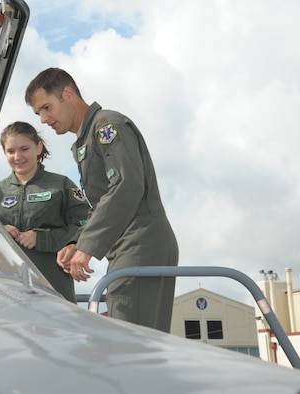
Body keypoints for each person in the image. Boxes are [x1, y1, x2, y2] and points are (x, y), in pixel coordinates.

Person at [24, 67, 179, 332]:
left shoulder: (107, 126)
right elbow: (104, 202)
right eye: (39, 113)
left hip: (141, 240)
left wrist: (88, 247)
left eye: (47, 108)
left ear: (68, 94)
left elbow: (126, 186)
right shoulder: (87, 139)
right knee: (132, 338)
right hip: (128, 244)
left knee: (132, 344)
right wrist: (78, 243)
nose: (43, 119)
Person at [0, 121, 89, 303]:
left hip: (53, 289)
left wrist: (44, 239)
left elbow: (86, 224)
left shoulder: (61, 186)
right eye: (10, 151)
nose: (17, 156)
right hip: (6, 294)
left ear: (38, 148)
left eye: (24, 149)